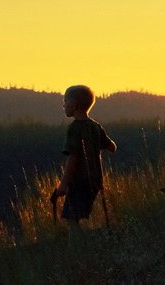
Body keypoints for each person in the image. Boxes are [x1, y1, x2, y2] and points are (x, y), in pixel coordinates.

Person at [53, 85, 117, 231]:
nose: (63, 105)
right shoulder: (95, 127)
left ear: (75, 105)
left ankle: (77, 248)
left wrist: (63, 184)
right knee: (81, 216)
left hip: (80, 181)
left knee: (72, 219)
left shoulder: (75, 128)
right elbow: (112, 147)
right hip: (95, 180)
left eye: (65, 101)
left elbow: (73, 158)